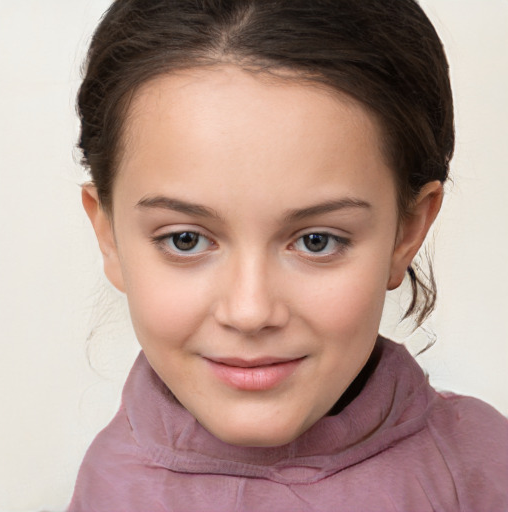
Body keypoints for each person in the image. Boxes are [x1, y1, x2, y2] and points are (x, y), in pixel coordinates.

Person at [68, 0, 508, 510]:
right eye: (184, 239)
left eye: (317, 240)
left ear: (406, 231)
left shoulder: (485, 473)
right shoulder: (107, 484)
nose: (250, 312)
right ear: (109, 235)